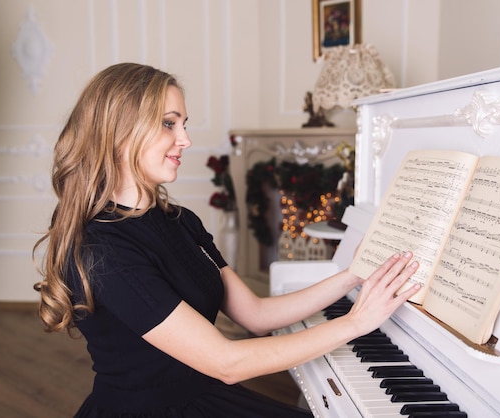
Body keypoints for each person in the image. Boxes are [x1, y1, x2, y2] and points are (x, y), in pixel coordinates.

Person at [32, 62, 421, 417]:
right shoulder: (101, 247)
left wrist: (355, 273)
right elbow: (227, 362)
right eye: (169, 123)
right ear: (118, 132)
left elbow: (255, 314)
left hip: (205, 396)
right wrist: (355, 323)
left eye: (184, 123)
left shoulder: (179, 221)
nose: (185, 138)